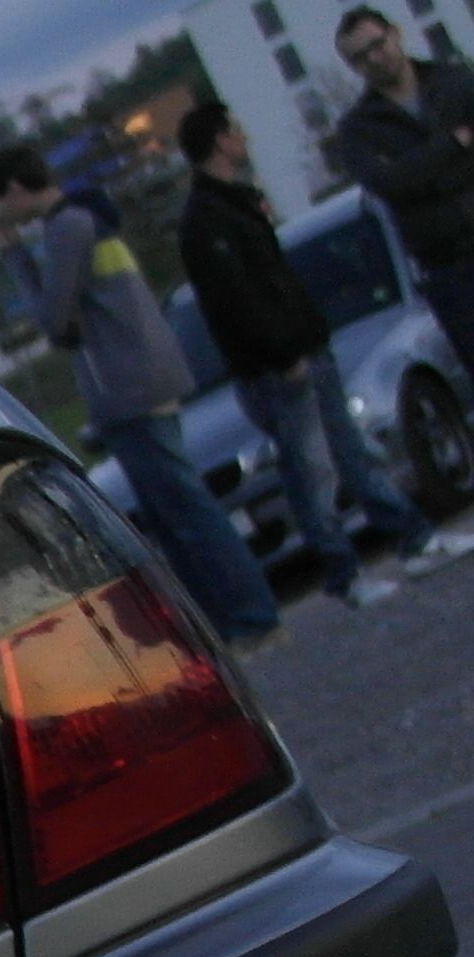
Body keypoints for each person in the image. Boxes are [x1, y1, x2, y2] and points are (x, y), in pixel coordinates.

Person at [0, 146, 282, 645]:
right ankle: (227, 622)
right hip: (148, 377)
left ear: (15, 189)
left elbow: (53, 319)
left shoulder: (66, 228)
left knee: (186, 512)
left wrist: (17, 260)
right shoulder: (90, 215)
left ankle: (250, 616)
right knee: (177, 513)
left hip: (125, 386)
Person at [177, 96, 461, 605]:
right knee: (313, 473)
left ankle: (413, 539)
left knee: (352, 456)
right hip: (281, 367)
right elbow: (236, 299)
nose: (244, 138)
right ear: (220, 140)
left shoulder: (236, 205)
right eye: (236, 129)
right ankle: (345, 573)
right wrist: (282, 354)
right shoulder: (209, 222)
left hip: (307, 351)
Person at [329, 6, 474, 367]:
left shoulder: (455, 82)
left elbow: (405, 178)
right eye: (360, 57)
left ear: (394, 33)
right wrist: (454, 144)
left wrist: (417, 170)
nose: (374, 59)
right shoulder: (358, 131)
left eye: (377, 45)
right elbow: (389, 184)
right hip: (448, 267)